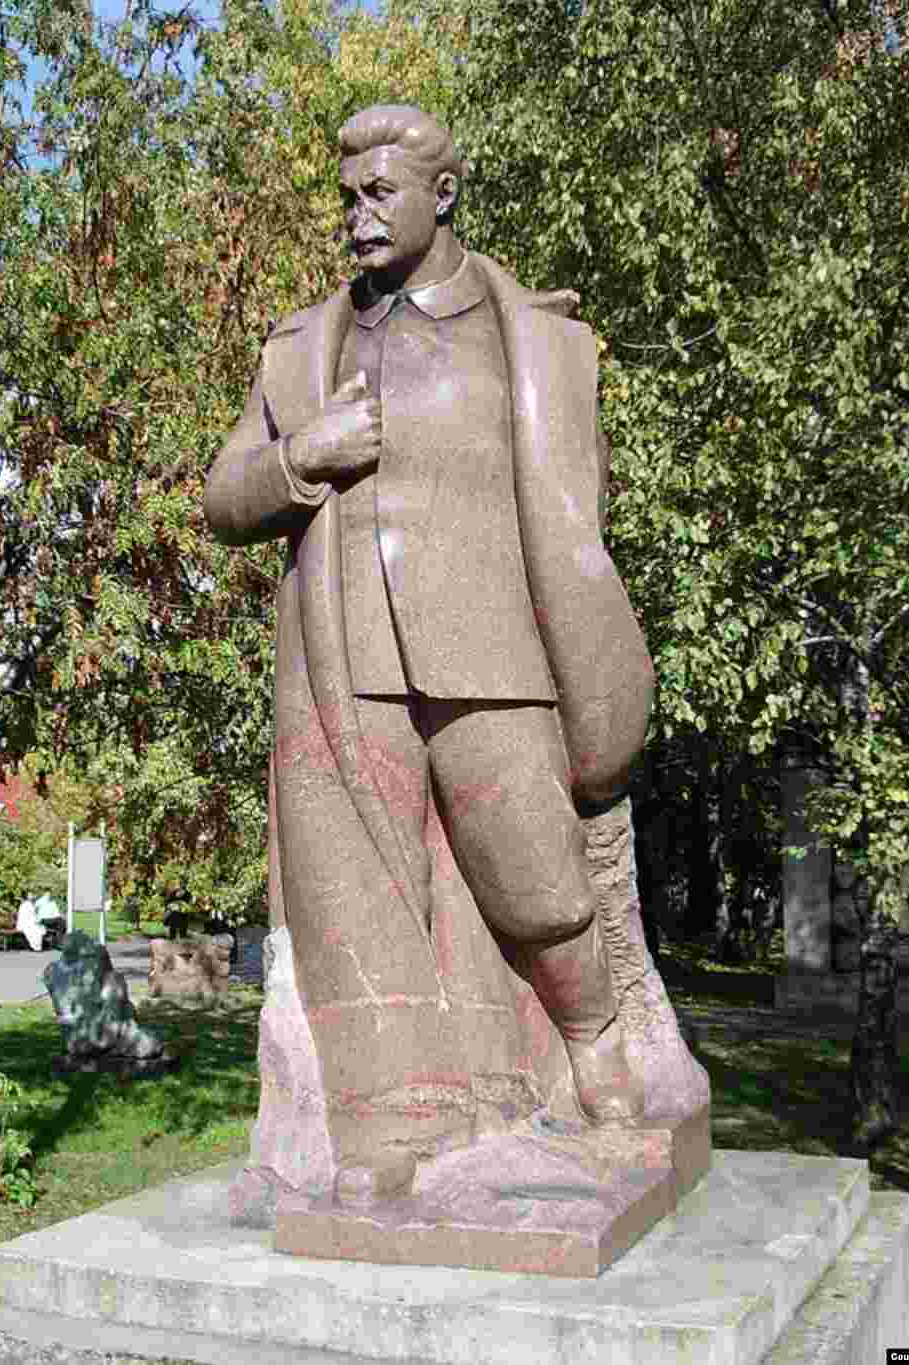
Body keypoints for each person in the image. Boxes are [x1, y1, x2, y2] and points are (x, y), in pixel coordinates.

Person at [204, 105, 657, 1186]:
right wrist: (300, 455)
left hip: (493, 655)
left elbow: (572, 514)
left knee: (537, 887)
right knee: (360, 904)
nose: (356, 216)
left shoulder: (532, 340)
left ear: (442, 195)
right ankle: (397, 1131)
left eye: (380, 194)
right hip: (345, 665)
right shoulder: (300, 350)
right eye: (346, 195)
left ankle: (597, 1049)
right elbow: (223, 499)